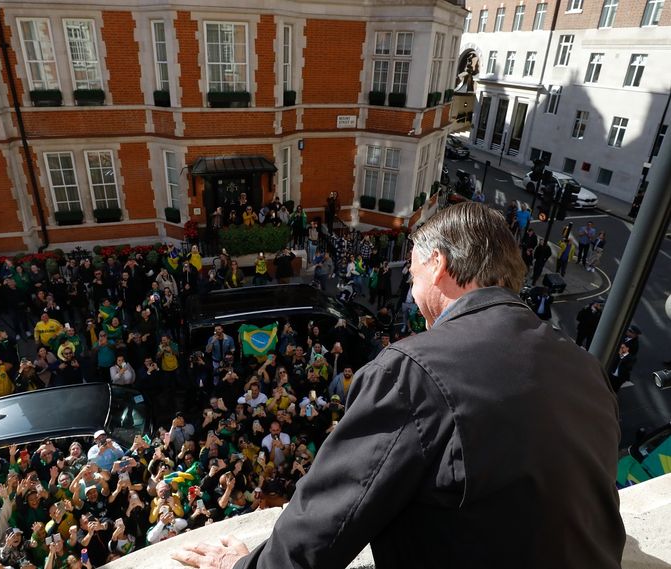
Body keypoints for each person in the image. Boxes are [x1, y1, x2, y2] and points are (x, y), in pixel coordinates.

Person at [173, 202, 624, 569]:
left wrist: (240, 567)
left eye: (412, 275)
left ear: (439, 264)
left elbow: (327, 523)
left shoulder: (410, 371)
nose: (410, 291)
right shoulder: (583, 363)